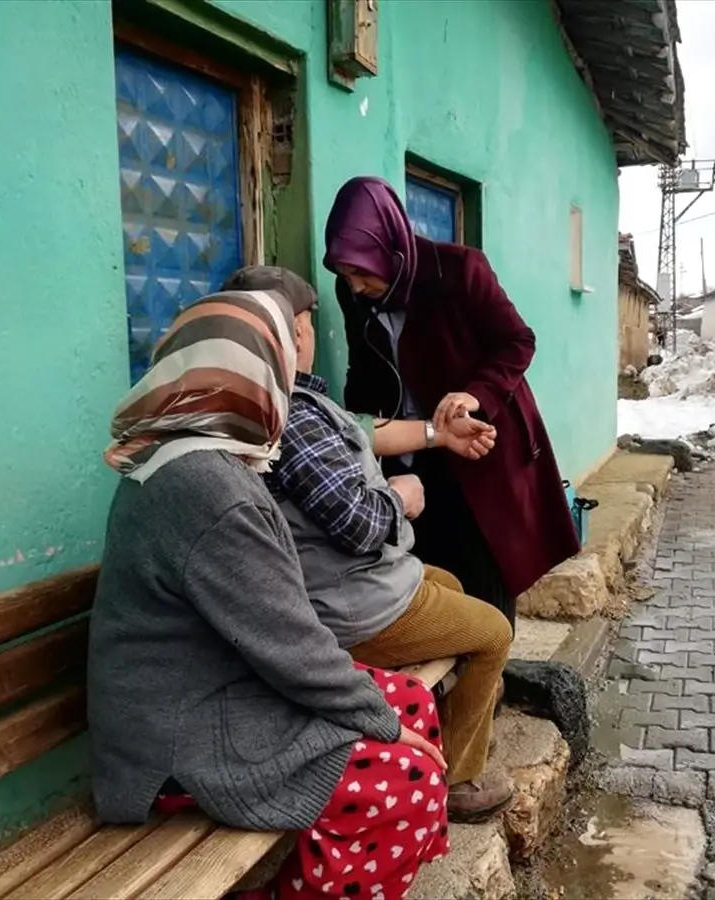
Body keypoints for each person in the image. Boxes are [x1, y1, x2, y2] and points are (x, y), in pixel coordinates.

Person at [88, 283, 449, 900]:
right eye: (277, 363)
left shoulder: (192, 457)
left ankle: (343, 873)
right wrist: (376, 723)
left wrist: (380, 713)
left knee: (411, 699)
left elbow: (275, 628)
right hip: (178, 741)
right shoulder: (206, 486)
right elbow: (287, 641)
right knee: (407, 776)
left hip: (211, 692)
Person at [219, 265, 515, 825]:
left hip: (343, 588)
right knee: (492, 633)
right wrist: (402, 495)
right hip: (348, 606)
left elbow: (361, 428)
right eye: (307, 322)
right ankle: (456, 780)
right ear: (298, 332)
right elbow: (356, 523)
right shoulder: (292, 417)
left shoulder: (267, 401)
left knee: (447, 584)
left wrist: (436, 434)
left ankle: (442, 723)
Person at [322, 176, 581, 632]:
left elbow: (517, 340)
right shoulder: (355, 295)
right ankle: (448, 689)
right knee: (427, 576)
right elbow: (362, 370)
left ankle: (489, 681)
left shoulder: (460, 270)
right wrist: (362, 438)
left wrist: (474, 394)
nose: (356, 286)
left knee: (488, 575)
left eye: (362, 272)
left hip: (477, 443)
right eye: (345, 275)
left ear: (392, 247)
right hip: (413, 450)